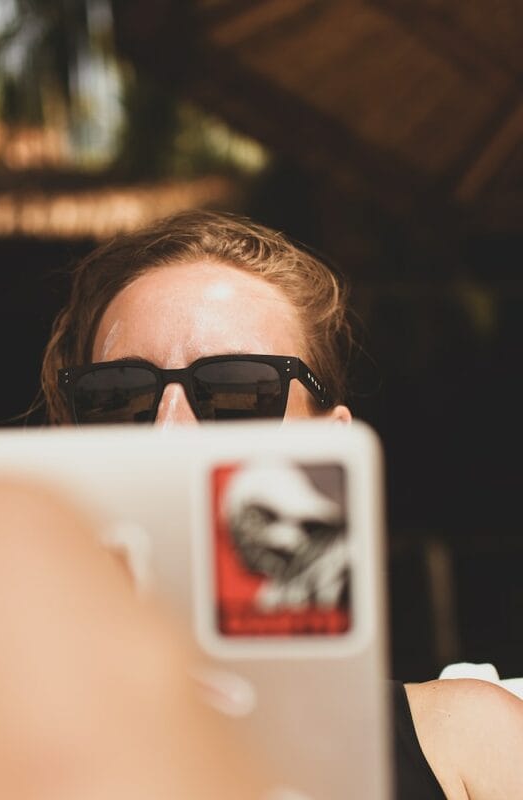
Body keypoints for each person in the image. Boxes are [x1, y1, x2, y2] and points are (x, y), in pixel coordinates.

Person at [38, 207, 523, 800]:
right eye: (118, 398)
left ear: (332, 444)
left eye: (238, 391)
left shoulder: (469, 742)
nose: (170, 431)